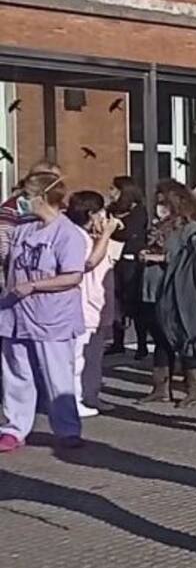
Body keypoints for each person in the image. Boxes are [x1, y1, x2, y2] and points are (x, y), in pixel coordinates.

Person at [0, 172, 88, 454]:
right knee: (16, 373)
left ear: (42, 197)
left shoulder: (67, 234)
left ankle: (67, 430)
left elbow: (73, 275)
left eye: (26, 195)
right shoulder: (24, 229)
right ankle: (14, 428)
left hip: (52, 316)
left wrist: (35, 285)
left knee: (57, 375)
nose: (21, 201)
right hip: (15, 312)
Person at [138, 181, 196, 406]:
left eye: (164, 203)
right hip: (151, 290)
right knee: (160, 340)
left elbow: (193, 257)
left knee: (184, 340)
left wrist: (163, 258)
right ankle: (160, 387)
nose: (160, 208)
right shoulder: (158, 227)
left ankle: (194, 390)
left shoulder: (190, 228)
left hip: (175, 292)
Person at [65, 191, 122, 418]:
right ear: (91, 214)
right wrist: (105, 234)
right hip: (83, 304)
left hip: (97, 304)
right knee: (78, 356)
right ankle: (75, 399)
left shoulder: (89, 237)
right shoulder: (77, 237)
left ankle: (90, 394)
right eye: (101, 213)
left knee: (94, 355)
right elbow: (89, 262)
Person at [106, 175, 150, 357]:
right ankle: (118, 341)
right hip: (114, 259)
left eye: (113, 189)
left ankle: (141, 344)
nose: (110, 193)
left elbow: (128, 233)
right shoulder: (111, 210)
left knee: (135, 303)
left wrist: (112, 229)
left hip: (131, 260)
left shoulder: (138, 211)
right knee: (116, 300)